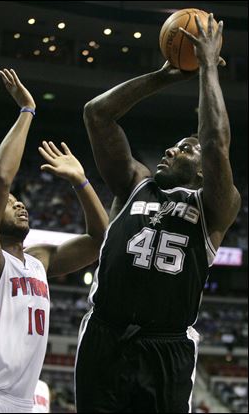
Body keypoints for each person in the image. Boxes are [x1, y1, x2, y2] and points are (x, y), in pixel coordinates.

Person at [75, 13, 241, 413]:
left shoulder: (215, 205)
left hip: (166, 348)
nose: (170, 150)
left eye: (184, 148)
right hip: (105, 334)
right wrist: (165, 76)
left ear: (203, 170)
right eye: (172, 146)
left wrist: (206, 69)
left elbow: (216, 143)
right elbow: (97, 113)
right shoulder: (135, 182)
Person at [0, 69, 108, 413]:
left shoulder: (40, 261)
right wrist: (26, 110)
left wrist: (81, 182)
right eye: (10, 203)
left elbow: (100, 240)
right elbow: (0, 177)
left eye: (20, 201)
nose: (19, 203)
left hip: (24, 403)